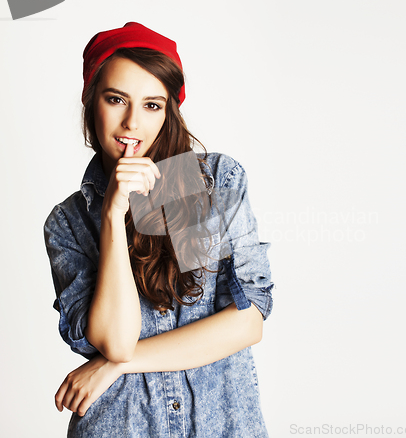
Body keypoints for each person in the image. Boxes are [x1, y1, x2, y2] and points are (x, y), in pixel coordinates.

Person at [43, 22, 274, 437]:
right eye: (116, 99)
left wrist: (114, 367)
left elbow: (247, 322)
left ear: (169, 111)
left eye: (152, 105)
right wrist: (113, 213)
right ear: (90, 100)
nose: (132, 122)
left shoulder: (213, 181)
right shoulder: (69, 223)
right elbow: (117, 340)